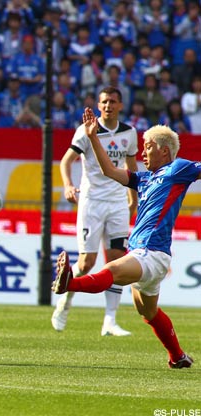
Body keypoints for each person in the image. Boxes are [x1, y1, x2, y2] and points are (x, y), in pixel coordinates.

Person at [53, 108, 195, 369]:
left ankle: (69, 284)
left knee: (112, 269)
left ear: (165, 151)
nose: (143, 153)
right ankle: (177, 356)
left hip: (151, 253)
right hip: (145, 254)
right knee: (148, 312)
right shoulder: (144, 178)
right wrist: (92, 137)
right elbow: (109, 170)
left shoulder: (177, 168)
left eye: (148, 147)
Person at [51, 86, 138, 337]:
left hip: (117, 203)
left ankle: (110, 320)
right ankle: (65, 299)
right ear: (99, 106)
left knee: (117, 262)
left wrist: (133, 200)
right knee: (86, 263)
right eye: (104, 102)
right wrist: (68, 185)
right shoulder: (87, 130)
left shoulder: (129, 133)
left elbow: (131, 168)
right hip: (92, 202)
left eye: (112, 101)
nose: (108, 105)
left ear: (120, 105)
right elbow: (66, 160)